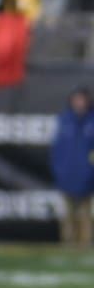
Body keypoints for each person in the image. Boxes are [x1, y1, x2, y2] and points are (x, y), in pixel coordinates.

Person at [49, 86, 94, 249]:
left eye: (82, 99)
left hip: (88, 178)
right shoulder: (64, 120)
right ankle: (67, 245)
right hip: (66, 177)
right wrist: (59, 172)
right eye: (76, 99)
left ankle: (86, 245)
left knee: (85, 215)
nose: (79, 102)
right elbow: (57, 150)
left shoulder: (92, 121)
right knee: (67, 216)